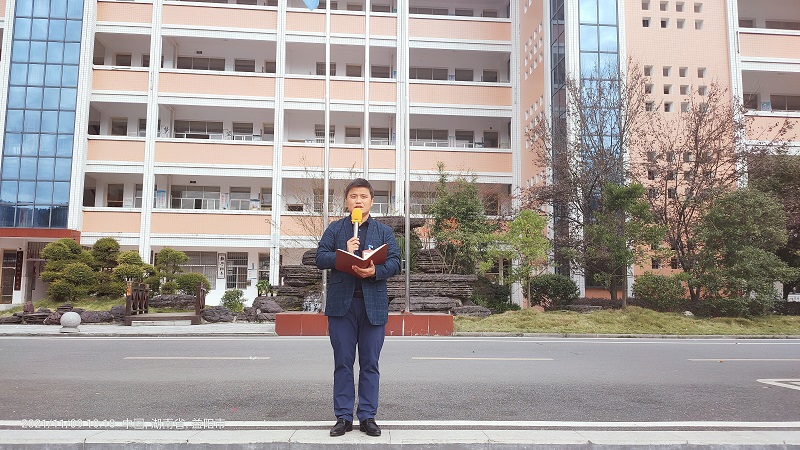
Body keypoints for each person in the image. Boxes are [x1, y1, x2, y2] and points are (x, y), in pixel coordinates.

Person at [315, 178, 401, 437]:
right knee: (343, 362)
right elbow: (320, 257)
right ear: (346, 201)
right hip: (342, 306)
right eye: (353, 196)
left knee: (370, 363)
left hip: (373, 305)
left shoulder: (383, 231)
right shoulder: (335, 229)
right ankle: (343, 417)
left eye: (364, 196)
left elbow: (396, 263)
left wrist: (375, 271)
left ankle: (367, 416)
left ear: (372, 201)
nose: (358, 201)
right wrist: (342, 251)